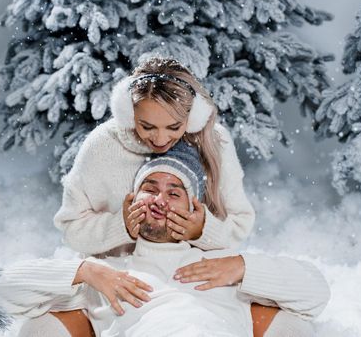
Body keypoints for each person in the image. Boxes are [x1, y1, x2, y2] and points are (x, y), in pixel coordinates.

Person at [0, 142, 330, 336]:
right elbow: (4, 289)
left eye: (174, 193)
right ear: (130, 203)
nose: (160, 199)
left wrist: (242, 267)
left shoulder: (220, 268)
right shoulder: (109, 274)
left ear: (193, 207)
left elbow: (316, 293)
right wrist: (87, 272)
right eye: (149, 189)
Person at [54, 56, 255, 257]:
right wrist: (119, 227)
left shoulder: (214, 141)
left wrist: (203, 231)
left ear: (193, 117)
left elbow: (240, 222)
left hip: (185, 276)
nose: (160, 139)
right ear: (129, 114)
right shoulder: (102, 145)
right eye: (147, 126)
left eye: (174, 127)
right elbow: (71, 227)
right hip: (115, 277)